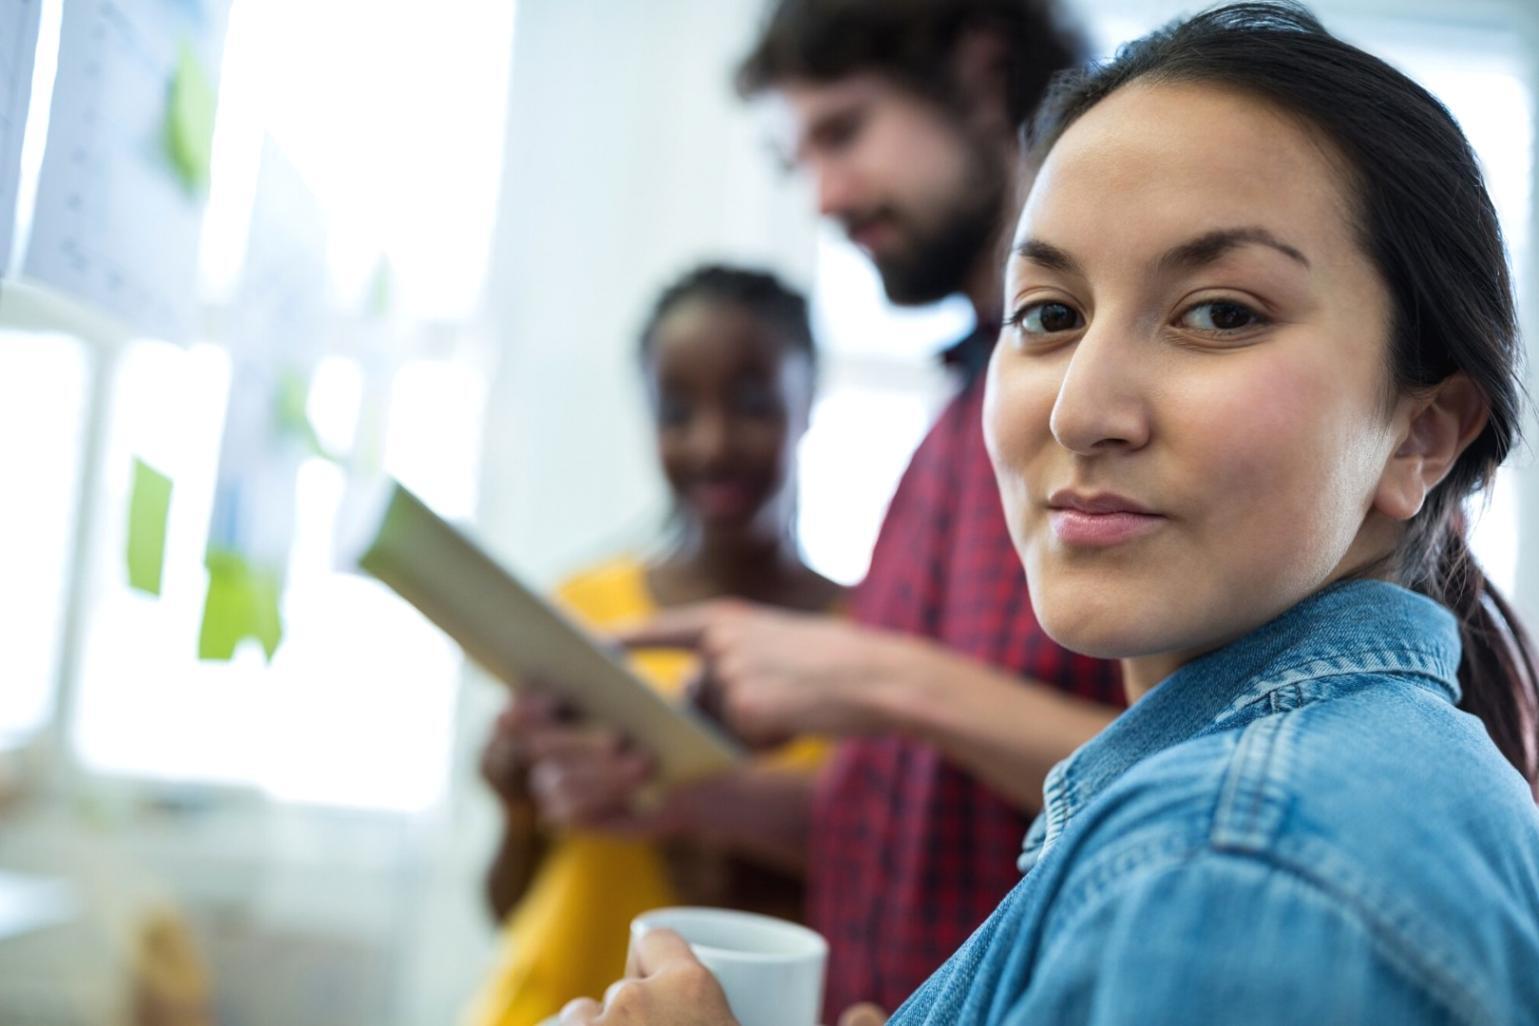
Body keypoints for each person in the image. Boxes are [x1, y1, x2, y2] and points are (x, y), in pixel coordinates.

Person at [556, 3, 1539, 1024]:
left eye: (1218, 314)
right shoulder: (1253, 822)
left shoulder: (1239, 862)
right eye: (1049, 316)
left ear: (1423, 434)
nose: (1079, 408)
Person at [609, 4, 1122, 1017]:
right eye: (798, 155)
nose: (826, 196)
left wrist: (871, 677)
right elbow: (913, 821)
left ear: (980, 75)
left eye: (843, 131)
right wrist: (665, 795)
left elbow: (1205, 784)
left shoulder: (1112, 424)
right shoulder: (945, 437)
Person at [463, 265, 843, 1026]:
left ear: (808, 404)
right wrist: (514, 799)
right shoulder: (585, 613)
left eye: (751, 404)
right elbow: (507, 905)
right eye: (675, 412)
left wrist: (696, 809)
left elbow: (849, 911)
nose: (712, 443)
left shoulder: (862, 649)